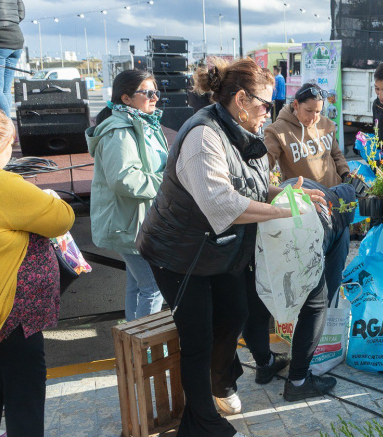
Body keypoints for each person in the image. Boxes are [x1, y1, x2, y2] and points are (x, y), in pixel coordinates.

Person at [136, 57, 326, 437]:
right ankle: (202, 422)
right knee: (198, 335)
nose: (269, 112)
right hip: (178, 253)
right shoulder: (203, 135)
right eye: (265, 104)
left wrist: (288, 192)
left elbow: (248, 186)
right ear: (242, 98)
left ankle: (222, 380)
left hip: (216, 248)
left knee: (235, 312)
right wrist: (278, 211)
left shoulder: (237, 127)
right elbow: (221, 202)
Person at [0, 104, 75, 436]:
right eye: (9, 147)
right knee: (24, 407)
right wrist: (43, 195)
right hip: (8, 321)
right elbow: (61, 218)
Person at [244, 178, 356, 401]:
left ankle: (265, 364)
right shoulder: (341, 220)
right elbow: (331, 278)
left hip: (258, 228)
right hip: (299, 239)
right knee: (315, 306)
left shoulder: (295, 186)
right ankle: (298, 381)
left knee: (255, 298)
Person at [86, 70, 167, 322]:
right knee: (153, 287)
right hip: (129, 225)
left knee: (138, 285)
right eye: (148, 93)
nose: (155, 98)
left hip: (140, 222)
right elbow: (124, 179)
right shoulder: (119, 131)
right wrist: (170, 185)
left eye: (156, 92)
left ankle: (135, 350)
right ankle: (147, 352)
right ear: (126, 98)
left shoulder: (144, 123)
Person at [264, 82, 349, 188]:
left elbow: (337, 155)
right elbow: (264, 165)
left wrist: (345, 174)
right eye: (309, 111)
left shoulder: (326, 124)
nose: (313, 117)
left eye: (318, 112)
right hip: (304, 200)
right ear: (296, 105)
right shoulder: (277, 131)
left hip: (334, 195)